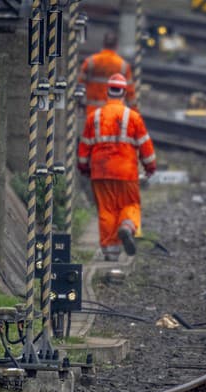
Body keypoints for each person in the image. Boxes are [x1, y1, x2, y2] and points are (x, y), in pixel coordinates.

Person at [77, 74, 156, 261]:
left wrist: (84, 168)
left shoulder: (93, 117)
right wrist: (150, 167)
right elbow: (145, 146)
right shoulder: (133, 117)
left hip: (101, 171)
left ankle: (111, 253)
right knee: (130, 204)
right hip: (126, 172)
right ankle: (127, 227)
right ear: (124, 93)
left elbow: (84, 148)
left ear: (108, 92)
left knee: (106, 210)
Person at [78, 32, 135, 117]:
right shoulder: (123, 65)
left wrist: (79, 103)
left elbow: (79, 85)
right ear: (116, 45)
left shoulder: (90, 62)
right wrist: (134, 112)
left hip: (92, 111)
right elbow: (130, 93)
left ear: (104, 44)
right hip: (113, 112)